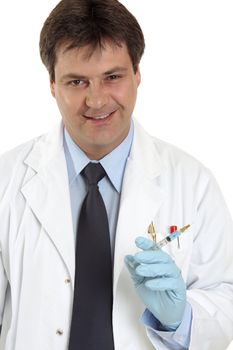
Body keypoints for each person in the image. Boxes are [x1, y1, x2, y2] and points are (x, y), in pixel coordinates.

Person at [0, 0, 232, 349]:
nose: (96, 100)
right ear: (51, 84)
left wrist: (179, 318)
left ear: (137, 75)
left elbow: (226, 303)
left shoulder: (192, 183)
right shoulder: (7, 179)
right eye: (77, 81)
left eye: (112, 77)